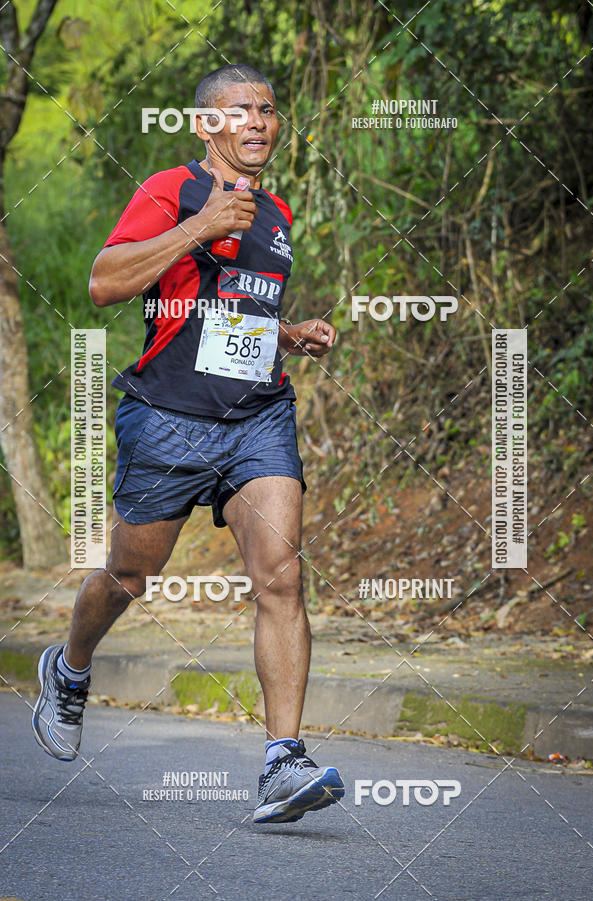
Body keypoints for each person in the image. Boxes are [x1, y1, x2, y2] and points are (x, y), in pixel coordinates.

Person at [31, 63, 344, 824]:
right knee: (130, 575)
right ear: (206, 125)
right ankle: (70, 669)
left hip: (257, 415)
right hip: (167, 415)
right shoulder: (173, 190)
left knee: (281, 577)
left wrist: (284, 331)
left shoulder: (277, 213)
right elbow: (105, 281)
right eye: (240, 110)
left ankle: (282, 761)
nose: (259, 122)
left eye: (268, 109)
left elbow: (227, 310)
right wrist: (201, 225)